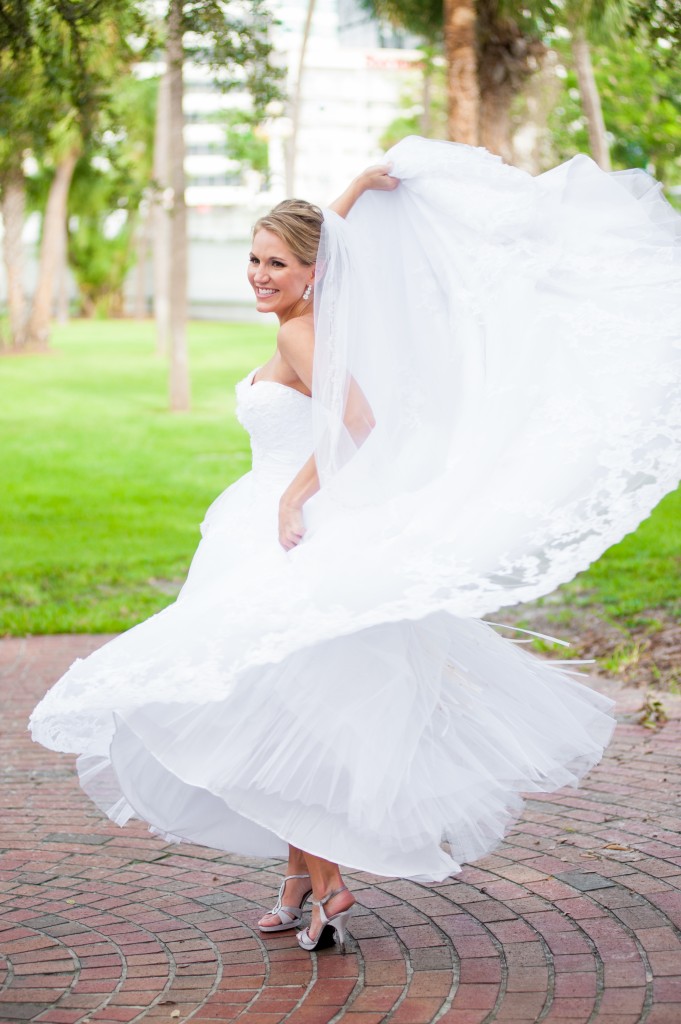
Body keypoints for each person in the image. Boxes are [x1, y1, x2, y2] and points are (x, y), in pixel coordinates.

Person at [30, 136, 681, 957]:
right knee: (272, 702)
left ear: (310, 274)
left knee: (265, 706)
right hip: (261, 527)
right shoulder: (312, 314)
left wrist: (299, 492)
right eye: (254, 261)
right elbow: (321, 260)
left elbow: (359, 423)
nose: (261, 275)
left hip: (285, 533)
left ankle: (326, 879)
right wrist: (350, 191)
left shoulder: (305, 334)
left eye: (276, 263)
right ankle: (301, 881)